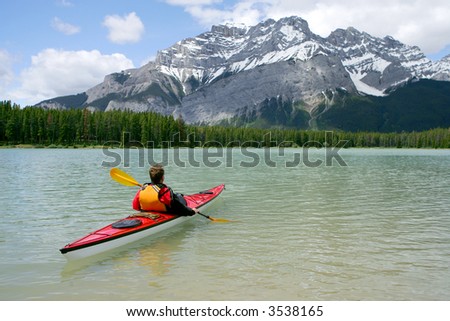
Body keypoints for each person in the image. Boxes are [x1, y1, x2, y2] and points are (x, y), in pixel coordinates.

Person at [132, 164, 198, 216]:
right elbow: (179, 208)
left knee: (177, 195)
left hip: (145, 212)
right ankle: (179, 196)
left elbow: (135, 207)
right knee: (179, 197)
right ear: (163, 177)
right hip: (165, 212)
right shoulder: (164, 191)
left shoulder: (141, 190)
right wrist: (192, 211)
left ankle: (178, 195)